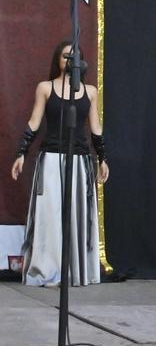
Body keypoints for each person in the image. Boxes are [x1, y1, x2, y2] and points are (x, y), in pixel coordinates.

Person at [12, 41, 108, 287]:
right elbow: (35, 121)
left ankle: (76, 270)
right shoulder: (45, 88)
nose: (70, 61)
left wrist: (102, 158)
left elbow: (95, 128)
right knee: (50, 214)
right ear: (58, 59)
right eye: (66, 56)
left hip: (79, 159)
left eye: (75, 57)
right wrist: (22, 152)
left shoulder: (90, 92)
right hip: (52, 158)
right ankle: (50, 269)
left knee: (76, 215)